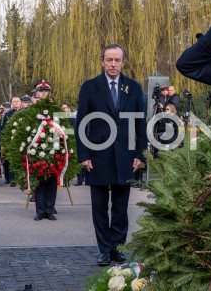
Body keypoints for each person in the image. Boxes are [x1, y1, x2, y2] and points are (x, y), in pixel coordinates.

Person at [75, 43, 147, 266]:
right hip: (97, 156)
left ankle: (118, 248)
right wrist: (84, 154)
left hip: (125, 156)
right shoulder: (90, 87)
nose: (113, 64)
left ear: (123, 62)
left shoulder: (133, 88)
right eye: (109, 60)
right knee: (99, 207)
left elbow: (140, 123)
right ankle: (104, 250)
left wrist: (140, 155)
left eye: (117, 60)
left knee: (120, 207)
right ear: (102, 62)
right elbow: (80, 124)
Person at [30, 80, 58, 221]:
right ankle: (40, 211)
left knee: (52, 182)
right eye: (41, 91)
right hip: (36, 151)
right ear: (36, 93)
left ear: (49, 93)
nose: (43, 93)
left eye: (46, 91)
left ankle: (50, 209)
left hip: (53, 150)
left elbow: (65, 130)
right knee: (39, 182)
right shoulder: (31, 110)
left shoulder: (56, 109)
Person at [1, 96, 22, 186]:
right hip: (11, 140)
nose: (16, 103)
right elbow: (3, 127)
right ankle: (12, 179)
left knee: (21, 159)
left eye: (18, 101)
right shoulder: (8, 114)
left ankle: (20, 178)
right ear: (11, 103)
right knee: (11, 160)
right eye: (14, 101)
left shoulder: (24, 112)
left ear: (20, 103)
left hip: (22, 139)